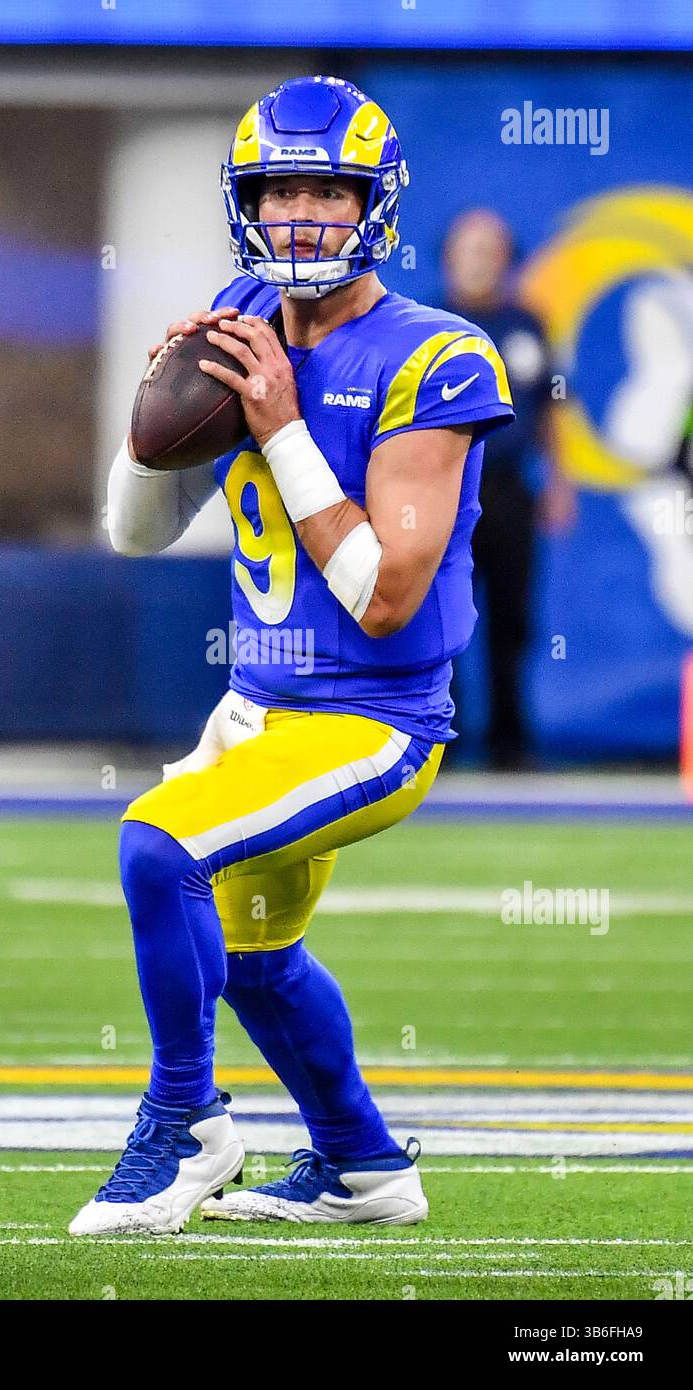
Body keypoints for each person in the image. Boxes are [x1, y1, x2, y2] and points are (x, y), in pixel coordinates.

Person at [70, 76, 514, 1238]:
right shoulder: (240, 315)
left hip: (373, 719)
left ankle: (186, 1119)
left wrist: (281, 429)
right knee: (257, 954)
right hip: (256, 706)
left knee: (157, 841)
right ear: (247, 202)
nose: (303, 215)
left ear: (374, 203)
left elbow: (381, 599)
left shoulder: (439, 356)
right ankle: (363, 1165)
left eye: (328, 190)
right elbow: (135, 534)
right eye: (280, 190)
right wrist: (145, 424)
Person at [441, 209, 575, 768]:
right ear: (450, 257)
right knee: (440, 617)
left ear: (506, 258)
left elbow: (552, 406)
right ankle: (436, 741)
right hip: (441, 492)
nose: (479, 259)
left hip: (509, 490)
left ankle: (509, 742)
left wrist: (560, 481)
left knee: (512, 617)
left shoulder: (527, 325)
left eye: (490, 248)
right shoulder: (428, 323)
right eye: (469, 247)